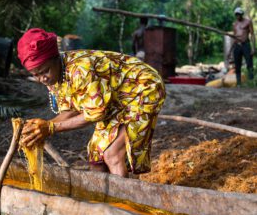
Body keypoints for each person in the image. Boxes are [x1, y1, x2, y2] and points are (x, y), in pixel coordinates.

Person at [18, 28, 165, 178]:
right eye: (35, 75)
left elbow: (97, 113)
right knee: (97, 157)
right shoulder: (54, 77)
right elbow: (70, 110)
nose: (42, 78)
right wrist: (40, 128)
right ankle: (101, 197)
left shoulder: (81, 70)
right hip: (115, 96)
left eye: (44, 71)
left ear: (56, 57)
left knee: (112, 154)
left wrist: (50, 127)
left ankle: (121, 200)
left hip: (143, 88)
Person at [231, 7, 255, 86]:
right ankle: (238, 83)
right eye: (236, 14)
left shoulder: (248, 22)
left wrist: (253, 47)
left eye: (239, 14)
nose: (237, 16)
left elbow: (252, 35)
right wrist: (230, 51)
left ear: (242, 14)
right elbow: (234, 38)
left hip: (246, 44)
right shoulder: (234, 24)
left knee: (249, 63)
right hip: (237, 46)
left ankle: (251, 82)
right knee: (237, 65)